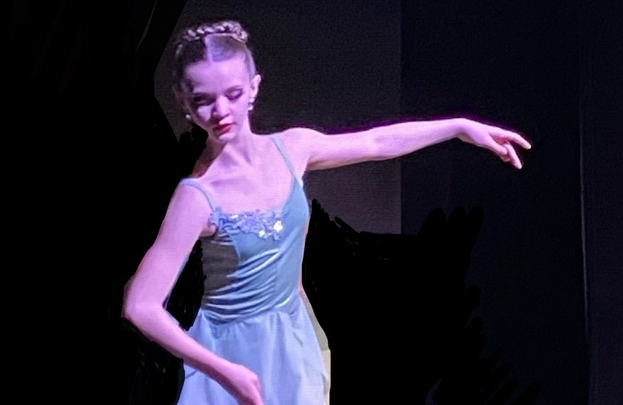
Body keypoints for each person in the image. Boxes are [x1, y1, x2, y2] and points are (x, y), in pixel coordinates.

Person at [122, 20, 531, 405]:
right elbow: (140, 305)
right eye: (203, 100)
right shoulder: (197, 196)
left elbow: (376, 143)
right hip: (228, 352)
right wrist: (223, 370)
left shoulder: (292, 149)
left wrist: (459, 127)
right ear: (184, 102)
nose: (221, 111)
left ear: (253, 87)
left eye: (232, 94)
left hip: (293, 335)